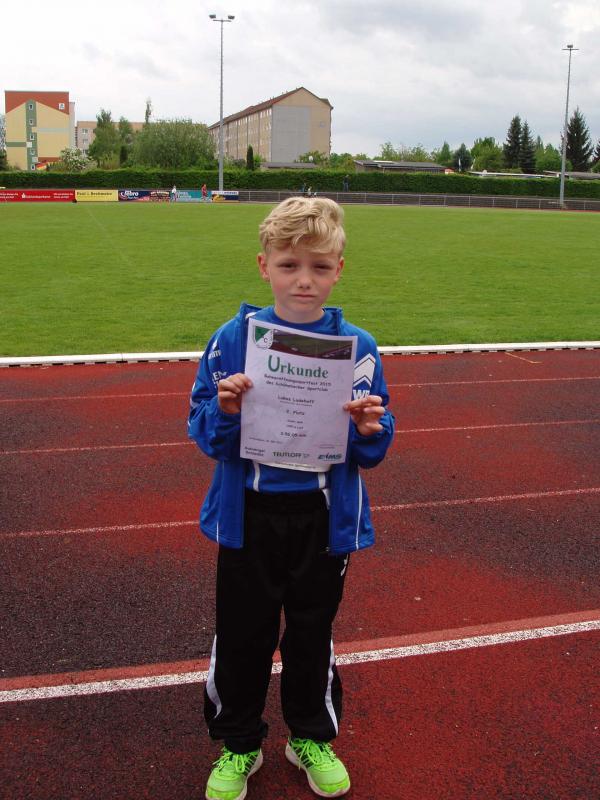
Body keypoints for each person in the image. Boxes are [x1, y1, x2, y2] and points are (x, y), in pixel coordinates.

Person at [188, 197, 395, 800]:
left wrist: (370, 428)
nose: (304, 280)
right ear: (264, 266)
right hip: (248, 516)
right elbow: (203, 431)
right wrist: (226, 409)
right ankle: (239, 743)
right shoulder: (231, 341)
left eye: (320, 267)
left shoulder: (358, 346)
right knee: (243, 634)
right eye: (289, 265)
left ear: (338, 271)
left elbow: (375, 446)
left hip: (323, 519)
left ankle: (309, 736)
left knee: (311, 632)